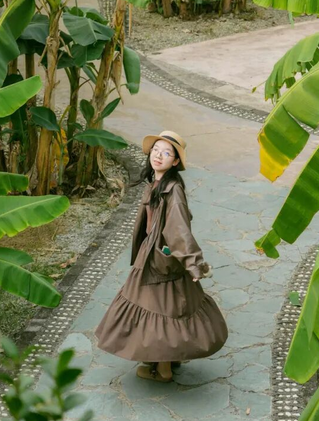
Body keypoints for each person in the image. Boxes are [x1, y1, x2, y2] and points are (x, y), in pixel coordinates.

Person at [95, 130, 228, 382]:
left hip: (161, 259)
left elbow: (179, 229)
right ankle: (169, 359)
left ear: (175, 161)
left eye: (166, 153)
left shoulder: (172, 190)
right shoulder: (158, 183)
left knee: (158, 309)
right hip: (159, 254)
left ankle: (163, 370)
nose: (158, 155)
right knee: (167, 309)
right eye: (156, 149)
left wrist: (194, 263)